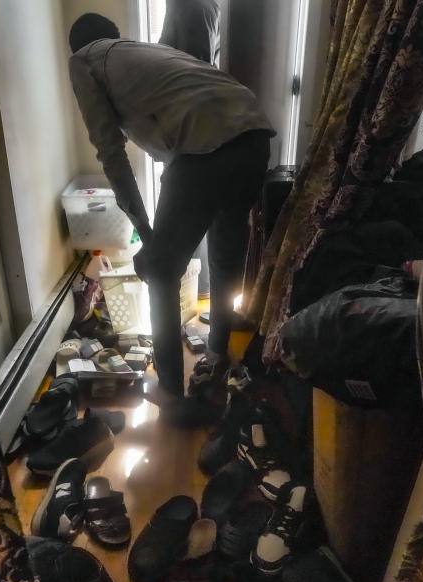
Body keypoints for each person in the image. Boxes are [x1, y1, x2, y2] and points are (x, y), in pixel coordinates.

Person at [67, 13, 273, 423]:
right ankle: (216, 356)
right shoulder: (145, 53)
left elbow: (110, 151)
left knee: (159, 271)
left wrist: (146, 233)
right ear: (113, 35)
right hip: (253, 134)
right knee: (225, 252)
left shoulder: (85, 61)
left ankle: (171, 397)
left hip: (204, 146)